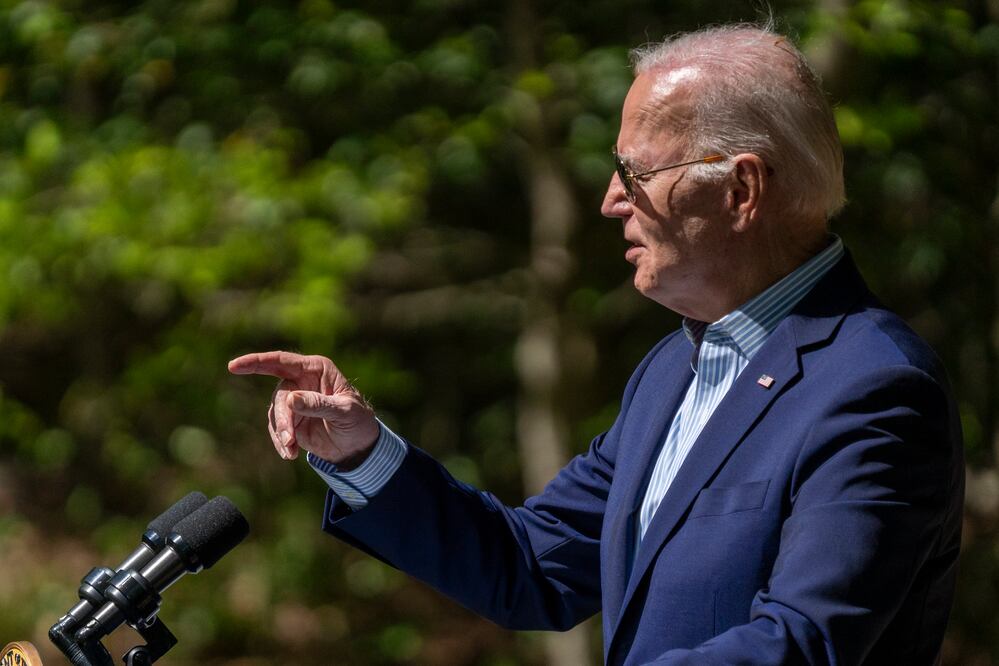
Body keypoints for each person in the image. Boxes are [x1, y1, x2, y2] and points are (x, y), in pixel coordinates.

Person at [229, 23, 964, 665]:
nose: (611, 200)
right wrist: (363, 452)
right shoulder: (673, 367)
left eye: (635, 173)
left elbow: (804, 644)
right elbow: (531, 570)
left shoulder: (872, 387)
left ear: (741, 190)